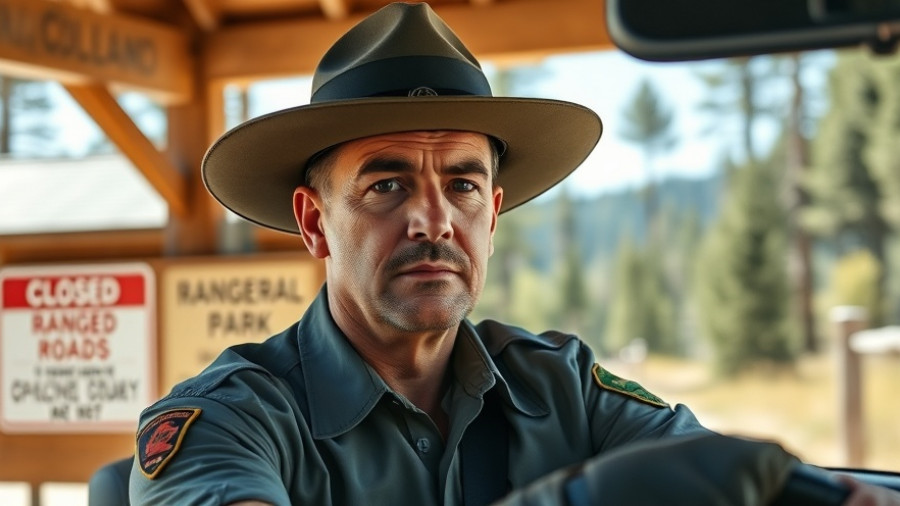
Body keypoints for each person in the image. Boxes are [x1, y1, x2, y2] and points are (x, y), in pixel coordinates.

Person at [127, 3, 900, 505]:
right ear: (314, 222)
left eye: (463, 184)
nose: (433, 219)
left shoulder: (562, 388)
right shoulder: (228, 420)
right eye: (387, 185)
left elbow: (725, 478)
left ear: (492, 214)